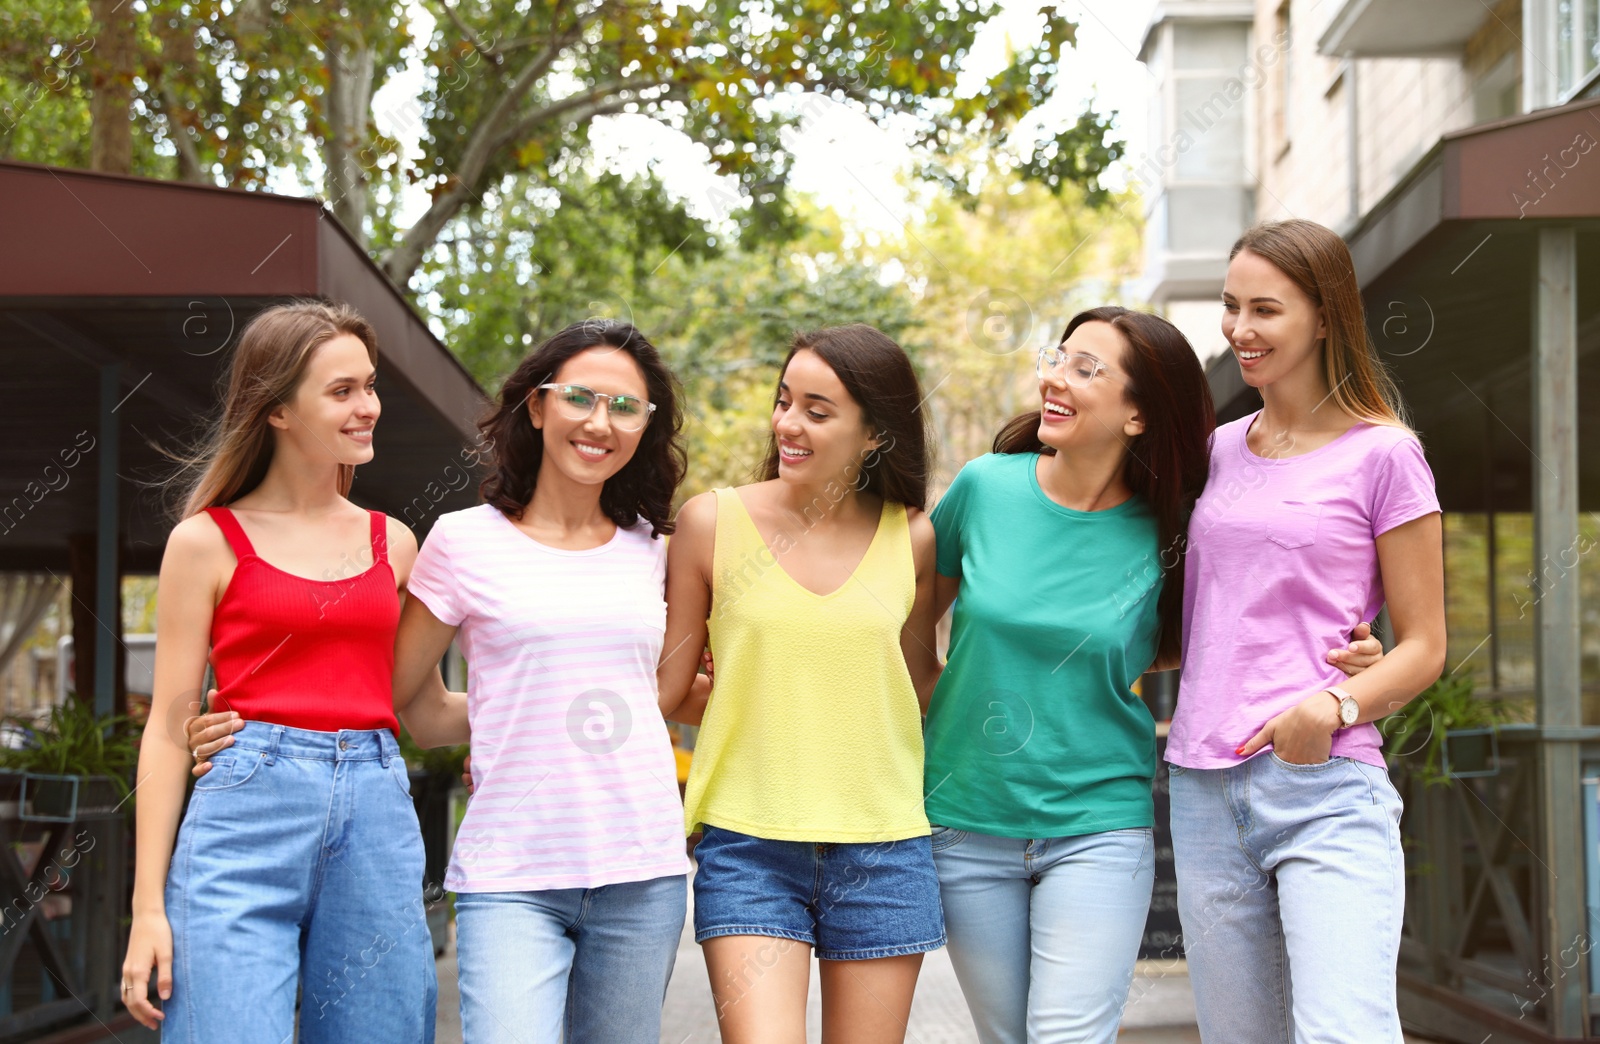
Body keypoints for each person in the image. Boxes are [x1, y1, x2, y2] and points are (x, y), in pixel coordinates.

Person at [922, 306, 1382, 1044]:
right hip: (965, 821)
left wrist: (1351, 663)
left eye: (1084, 368)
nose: (1053, 377)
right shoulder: (984, 489)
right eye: (1057, 357)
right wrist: (940, 716)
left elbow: (1219, 635)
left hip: (1098, 823)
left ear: (1138, 415)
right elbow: (910, 625)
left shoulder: (1173, 528)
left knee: (1066, 1036)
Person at [121, 301, 437, 1040]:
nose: (369, 407)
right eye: (342, 391)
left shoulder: (394, 543)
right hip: (243, 814)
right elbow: (170, 730)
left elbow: (422, 704)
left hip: (377, 814)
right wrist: (147, 908)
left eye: (370, 385)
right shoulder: (205, 542)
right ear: (277, 411)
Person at [1166, 219, 1446, 1043]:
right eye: (1229, 307)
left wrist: (1336, 703)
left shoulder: (1385, 455)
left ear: (1324, 317)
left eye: (1265, 310)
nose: (1239, 331)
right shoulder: (1214, 452)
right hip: (1203, 786)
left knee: (1343, 1032)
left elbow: (1425, 643)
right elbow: (1202, 613)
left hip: (1324, 785)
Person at [656, 324, 944, 1044]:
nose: (788, 423)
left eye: (818, 411)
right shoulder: (709, 523)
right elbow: (669, 687)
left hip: (883, 848)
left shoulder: (912, 537)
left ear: (875, 433)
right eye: (785, 401)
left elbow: (914, 686)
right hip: (750, 844)